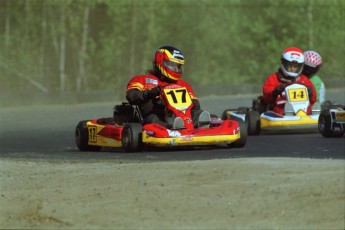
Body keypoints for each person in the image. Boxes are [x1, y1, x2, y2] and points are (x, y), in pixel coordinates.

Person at [126, 45, 211, 129]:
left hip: (181, 117)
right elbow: (132, 96)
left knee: (198, 114)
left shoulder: (184, 85)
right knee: (153, 119)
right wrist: (153, 92)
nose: (176, 69)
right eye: (172, 64)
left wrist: (187, 100)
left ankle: (198, 124)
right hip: (156, 117)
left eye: (178, 66)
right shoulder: (142, 80)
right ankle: (172, 126)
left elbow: (196, 105)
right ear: (161, 62)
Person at [262, 47, 317, 115]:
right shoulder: (273, 79)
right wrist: (275, 92)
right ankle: (289, 116)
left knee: (311, 108)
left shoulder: (304, 80)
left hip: (303, 109)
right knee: (280, 109)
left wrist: (310, 94)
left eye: (295, 66)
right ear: (283, 64)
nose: (292, 69)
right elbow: (267, 98)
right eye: (290, 65)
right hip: (281, 108)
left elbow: (313, 99)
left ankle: (311, 116)